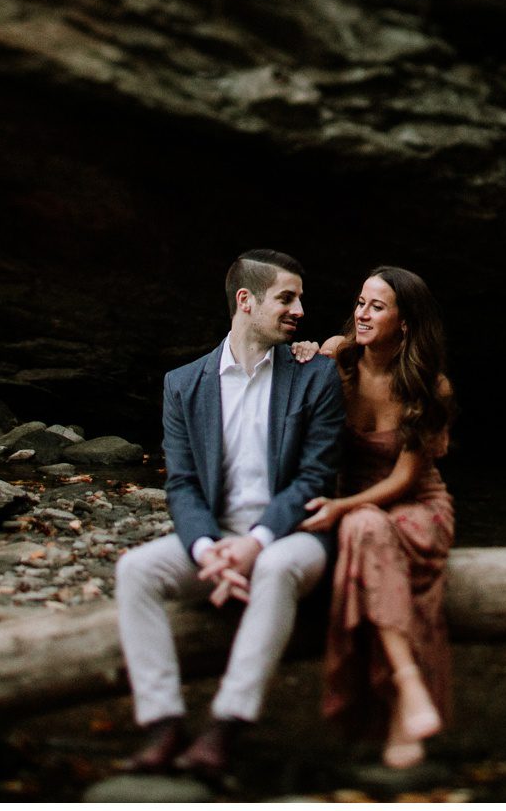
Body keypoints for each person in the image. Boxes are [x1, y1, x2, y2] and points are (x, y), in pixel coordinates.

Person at [114, 249, 345, 778]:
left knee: (275, 566)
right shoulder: (184, 383)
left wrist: (255, 543)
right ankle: (163, 723)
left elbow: (313, 479)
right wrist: (207, 551)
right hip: (215, 537)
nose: (300, 310)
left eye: (300, 299)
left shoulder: (316, 377)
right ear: (246, 300)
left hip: (293, 535)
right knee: (135, 570)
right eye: (287, 298)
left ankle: (227, 725)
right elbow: (184, 484)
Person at [291, 266, 457, 769]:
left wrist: (341, 507)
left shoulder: (431, 387)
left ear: (405, 323)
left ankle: (401, 692)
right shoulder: (338, 359)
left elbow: (406, 480)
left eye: (377, 307)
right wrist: (306, 353)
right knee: (365, 528)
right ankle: (408, 694)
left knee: (364, 526)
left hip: (415, 506)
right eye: (360, 302)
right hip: (362, 509)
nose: (362, 314)